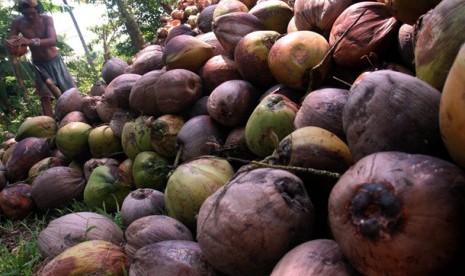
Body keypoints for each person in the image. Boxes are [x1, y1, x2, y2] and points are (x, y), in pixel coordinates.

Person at [4, 0, 76, 117]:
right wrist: (9, 44)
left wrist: (29, 41)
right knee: (45, 96)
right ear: (22, 12)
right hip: (39, 64)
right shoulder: (17, 23)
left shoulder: (47, 19)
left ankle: (78, 114)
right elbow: (13, 41)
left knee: (70, 90)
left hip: (54, 60)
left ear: (38, 10)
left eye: (33, 13)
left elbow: (52, 40)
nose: (30, 16)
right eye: (27, 14)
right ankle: (49, 126)